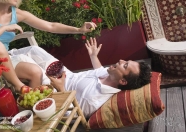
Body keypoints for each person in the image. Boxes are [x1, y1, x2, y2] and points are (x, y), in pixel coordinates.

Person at [12, 37, 151, 118]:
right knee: (35, 50)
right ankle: (8, 55)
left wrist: (60, 88)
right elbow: (98, 69)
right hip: (65, 73)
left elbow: (72, 115)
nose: (121, 60)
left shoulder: (94, 100)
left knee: (32, 69)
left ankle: (0, 62)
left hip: (54, 89)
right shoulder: (108, 75)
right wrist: (93, 56)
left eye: (125, 65)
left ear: (122, 81)